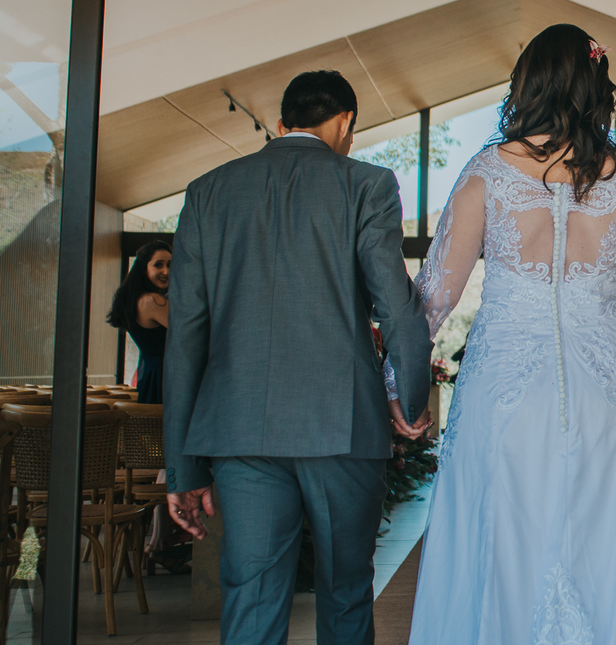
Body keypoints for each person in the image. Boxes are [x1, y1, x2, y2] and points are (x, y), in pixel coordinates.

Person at [403, 24, 616, 644]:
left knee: (499, 539)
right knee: (602, 548)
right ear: (596, 85)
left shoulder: (486, 173)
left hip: (505, 389)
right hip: (607, 389)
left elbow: (434, 299)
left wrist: (398, 383)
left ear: (529, 83)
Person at [163, 70, 434, 645]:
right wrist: (407, 400)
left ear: (283, 124)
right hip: (342, 425)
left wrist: (184, 467)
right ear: (344, 122)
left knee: (252, 596)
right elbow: (398, 308)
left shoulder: (208, 191)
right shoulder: (367, 184)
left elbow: (185, 335)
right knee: (345, 594)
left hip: (240, 431)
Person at [106, 240, 171, 404]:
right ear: (144, 269)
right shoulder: (153, 301)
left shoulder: (137, 299)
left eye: (170, 265)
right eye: (158, 265)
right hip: (164, 376)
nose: (166, 271)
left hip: (151, 374)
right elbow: (190, 332)